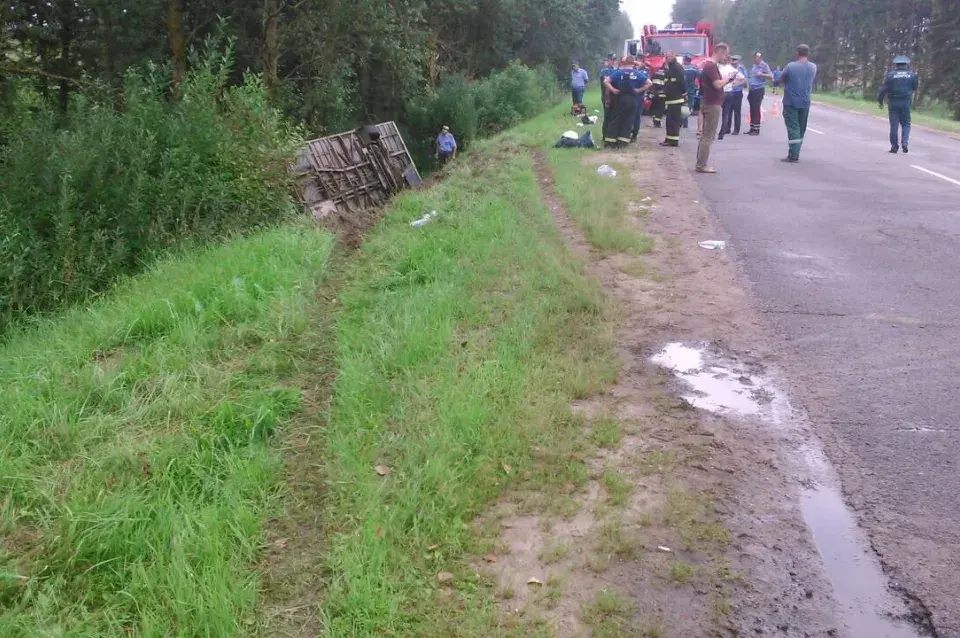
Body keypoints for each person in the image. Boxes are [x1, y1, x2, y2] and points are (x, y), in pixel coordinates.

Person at [696, 42, 737, 174]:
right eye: (725, 54)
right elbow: (718, 85)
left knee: (705, 135)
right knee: (708, 136)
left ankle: (700, 163)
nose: (726, 57)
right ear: (719, 52)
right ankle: (702, 165)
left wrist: (726, 81)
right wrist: (728, 78)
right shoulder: (711, 66)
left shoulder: (709, 65)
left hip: (709, 101)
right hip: (712, 104)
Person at [779, 44, 817, 163]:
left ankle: (794, 155)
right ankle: (796, 151)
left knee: (793, 128)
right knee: (801, 128)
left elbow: (781, 79)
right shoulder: (813, 67)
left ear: (797, 53)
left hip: (791, 101)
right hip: (805, 101)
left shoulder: (790, 66)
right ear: (808, 53)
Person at [603, 57, 652, 149]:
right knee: (628, 120)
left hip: (620, 98)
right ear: (634, 63)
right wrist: (639, 90)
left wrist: (613, 90)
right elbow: (649, 83)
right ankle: (623, 143)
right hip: (633, 99)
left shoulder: (619, 72)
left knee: (615, 119)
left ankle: (610, 142)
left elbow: (606, 81)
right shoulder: (638, 73)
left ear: (624, 63)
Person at [878, 55, 919, 154]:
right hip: (905, 102)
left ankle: (894, 147)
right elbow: (914, 87)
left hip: (893, 102)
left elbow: (883, 89)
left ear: (896, 65)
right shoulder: (912, 75)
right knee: (906, 124)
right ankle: (904, 143)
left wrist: (880, 101)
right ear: (906, 64)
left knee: (894, 125)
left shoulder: (890, 75)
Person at [661, 52, 687, 147]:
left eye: (667, 57)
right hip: (670, 99)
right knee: (669, 121)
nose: (665, 59)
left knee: (674, 121)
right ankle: (669, 139)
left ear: (672, 57)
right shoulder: (671, 68)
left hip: (676, 99)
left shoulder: (677, 68)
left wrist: (684, 94)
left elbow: (682, 83)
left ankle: (673, 141)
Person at [718, 56, 746, 139]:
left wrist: (736, 85)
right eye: (732, 60)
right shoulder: (728, 69)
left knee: (736, 111)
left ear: (738, 61)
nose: (734, 62)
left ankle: (736, 129)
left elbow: (745, 80)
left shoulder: (741, 69)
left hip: (736, 92)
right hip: (729, 92)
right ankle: (726, 128)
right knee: (728, 112)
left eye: (735, 60)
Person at [747, 52, 773, 135]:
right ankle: (752, 127)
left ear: (759, 58)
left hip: (758, 89)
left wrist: (762, 74)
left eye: (755, 58)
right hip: (752, 90)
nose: (754, 59)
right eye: (753, 58)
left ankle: (756, 129)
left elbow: (771, 76)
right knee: (752, 109)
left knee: (756, 108)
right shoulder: (754, 66)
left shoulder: (764, 65)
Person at [630, 55, 648, 142]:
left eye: (637, 61)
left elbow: (647, 84)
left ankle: (634, 135)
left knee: (636, 116)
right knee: (629, 116)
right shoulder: (631, 70)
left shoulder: (644, 71)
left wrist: (639, 90)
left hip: (638, 97)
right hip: (630, 96)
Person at [599, 56, 617, 141]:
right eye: (611, 60)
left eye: (614, 60)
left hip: (615, 96)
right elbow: (606, 84)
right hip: (606, 96)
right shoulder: (604, 71)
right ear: (608, 61)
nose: (613, 62)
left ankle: (611, 135)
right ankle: (605, 135)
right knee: (607, 116)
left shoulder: (616, 70)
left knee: (614, 116)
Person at [650, 63, 667, 128]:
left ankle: (654, 117)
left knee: (655, 107)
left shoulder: (656, 73)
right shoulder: (667, 73)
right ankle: (657, 122)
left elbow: (651, 82)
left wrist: (652, 91)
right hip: (662, 93)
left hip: (654, 93)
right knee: (661, 108)